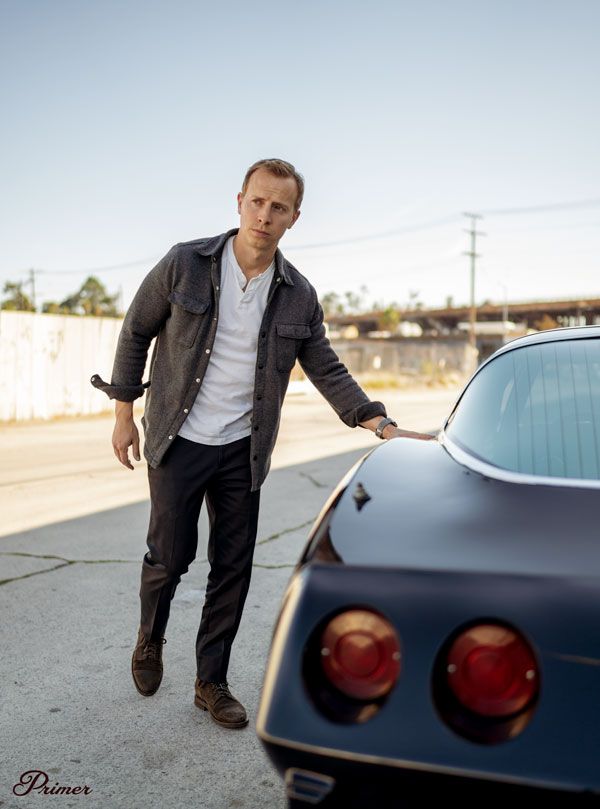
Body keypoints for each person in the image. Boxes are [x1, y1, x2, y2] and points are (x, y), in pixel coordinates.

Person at [91, 158, 434, 729]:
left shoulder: (298, 294)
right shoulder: (186, 263)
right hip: (178, 438)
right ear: (240, 201)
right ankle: (150, 639)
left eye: (279, 207)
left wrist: (378, 422)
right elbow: (135, 332)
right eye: (257, 201)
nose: (265, 215)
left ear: (294, 217)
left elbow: (327, 367)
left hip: (243, 448)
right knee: (170, 557)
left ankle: (211, 681)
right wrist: (124, 415)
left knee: (234, 567)